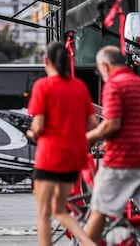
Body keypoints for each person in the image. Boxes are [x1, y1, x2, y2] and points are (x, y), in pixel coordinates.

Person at [85, 45, 140, 245]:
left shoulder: (115, 85)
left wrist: (86, 139)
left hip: (120, 163)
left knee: (99, 211)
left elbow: (111, 124)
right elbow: (135, 124)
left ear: (105, 65)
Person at [26, 42, 98, 246]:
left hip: (49, 157)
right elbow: (93, 123)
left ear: (46, 61)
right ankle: (89, 243)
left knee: (43, 213)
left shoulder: (43, 86)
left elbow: (38, 126)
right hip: (73, 158)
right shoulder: (79, 86)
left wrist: (31, 132)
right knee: (59, 209)